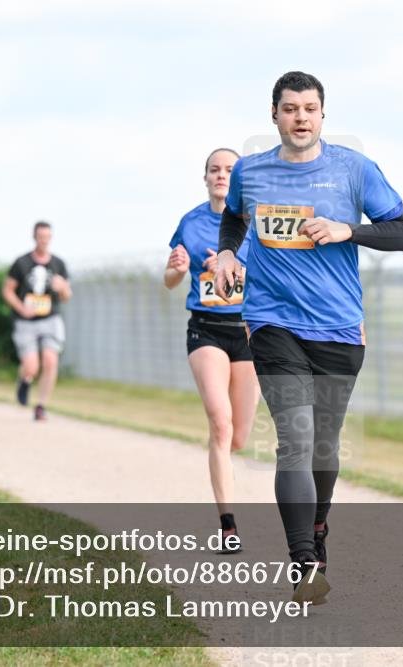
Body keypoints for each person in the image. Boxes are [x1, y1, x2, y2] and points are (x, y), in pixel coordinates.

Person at [214, 72, 403, 604]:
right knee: (295, 440)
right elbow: (233, 220)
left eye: (309, 108)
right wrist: (231, 252)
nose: (300, 117)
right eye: (289, 108)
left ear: (322, 115)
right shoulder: (251, 172)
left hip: (339, 328)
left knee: (324, 445)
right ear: (274, 115)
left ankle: (318, 529)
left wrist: (351, 230)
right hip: (273, 324)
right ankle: (304, 563)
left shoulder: (354, 169)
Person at [165, 148, 260, 554]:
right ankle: (228, 524)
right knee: (220, 425)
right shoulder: (190, 222)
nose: (221, 176)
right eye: (214, 170)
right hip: (206, 330)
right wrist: (179, 268)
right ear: (205, 178)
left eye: (229, 170)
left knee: (238, 437)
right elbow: (170, 279)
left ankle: (221, 465)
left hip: (249, 333)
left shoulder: (257, 221)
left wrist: (235, 267)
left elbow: (273, 275)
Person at [3, 221, 72, 421]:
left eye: (47, 237)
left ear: (50, 238)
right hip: (26, 322)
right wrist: (20, 308)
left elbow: (67, 296)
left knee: (51, 361)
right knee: (32, 366)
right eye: (40, 237)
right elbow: (7, 290)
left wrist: (63, 288)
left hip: (50, 319)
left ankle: (41, 406)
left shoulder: (58, 264)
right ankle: (25, 379)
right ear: (35, 237)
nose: (44, 241)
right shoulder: (21, 263)